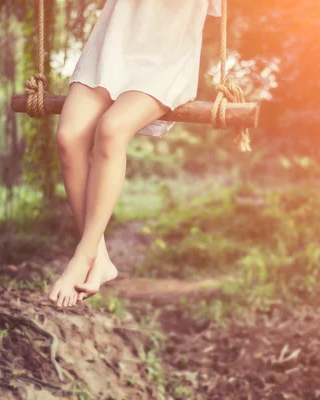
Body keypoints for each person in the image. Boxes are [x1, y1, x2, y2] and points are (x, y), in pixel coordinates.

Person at [48, 0, 222, 307]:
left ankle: (83, 254)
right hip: (114, 39)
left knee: (112, 129)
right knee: (68, 137)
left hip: (167, 53)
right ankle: (98, 257)